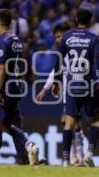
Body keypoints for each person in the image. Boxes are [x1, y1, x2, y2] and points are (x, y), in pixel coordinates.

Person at [52, 8, 99, 167]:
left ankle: (65, 160)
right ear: (90, 20)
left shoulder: (67, 37)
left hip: (72, 85)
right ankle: (89, 154)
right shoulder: (94, 38)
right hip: (89, 85)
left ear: (76, 19)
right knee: (96, 120)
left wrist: (56, 82)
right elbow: (98, 63)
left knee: (69, 122)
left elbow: (59, 62)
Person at [0, 9, 38, 165]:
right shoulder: (16, 40)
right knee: (8, 124)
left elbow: (1, 68)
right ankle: (29, 144)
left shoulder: (2, 41)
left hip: (4, 85)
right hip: (16, 84)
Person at [35, 22, 85, 166]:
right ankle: (76, 157)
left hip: (77, 91)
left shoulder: (73, 51)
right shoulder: (63, 52)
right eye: (56, 37)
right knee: (69, 122)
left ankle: (78, 157)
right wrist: (46, 88)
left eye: (59, 36)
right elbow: (56, 71)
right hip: (68, 94)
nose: (57, 40)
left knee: (72, 123)